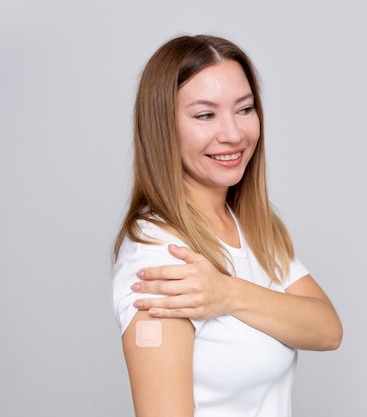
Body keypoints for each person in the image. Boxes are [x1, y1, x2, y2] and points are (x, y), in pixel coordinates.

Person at [112, 33, 343, 417]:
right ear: (162, 127)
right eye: (205, 115)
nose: (234, 134)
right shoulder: (161, 260)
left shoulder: (250, 225)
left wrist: (228, 294)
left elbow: (327, 330)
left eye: (244, 108)